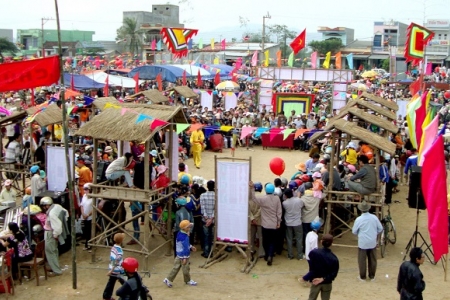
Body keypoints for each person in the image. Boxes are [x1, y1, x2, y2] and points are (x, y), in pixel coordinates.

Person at [249, 181, 282, 266]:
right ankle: (270, 255)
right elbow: (279, 212)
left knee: (265, 241)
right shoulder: (277, 199)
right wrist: (278, 222)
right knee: (272, 241)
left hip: (265, 224)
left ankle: (267, 255)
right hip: (274, 224)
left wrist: (252, 188)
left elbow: (254, 199)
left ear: (266, 190)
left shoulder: (263, 199)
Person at [352, 201, 383, 281]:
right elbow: (380, 228)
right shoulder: (374, 217)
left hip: (363, 242)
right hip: (372, 241)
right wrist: (374, 233)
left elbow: (354, 231)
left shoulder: (359, 219)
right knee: (372, 259)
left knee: (362, 260)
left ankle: (362, 276)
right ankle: (372, 275)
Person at [163, 220, 198, 287]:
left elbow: (185, 245)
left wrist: (190, 246)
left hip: (179, 255)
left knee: (176, 268)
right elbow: (185, 247)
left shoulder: (180, 234)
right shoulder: (184, 237)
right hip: (183, 256)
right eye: (188, 227)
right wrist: (184, 257)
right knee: (186, 269)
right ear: (184, 228)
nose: (189, 228)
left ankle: (168, 279)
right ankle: (188, 280)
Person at [40, 196, 69, 276]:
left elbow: (57, 225)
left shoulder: (52, 213)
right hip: (53, 232)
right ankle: (55, 267)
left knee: (50, 251)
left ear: (47, 205)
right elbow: (65, 212)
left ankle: (56, 270)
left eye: (44, 206)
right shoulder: (57, 206)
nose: (43, 208)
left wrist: (55, 234)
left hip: (51, 233)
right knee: (54, 250)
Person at [306, 234, 339, 300]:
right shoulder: (334, 258)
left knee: (312, 298)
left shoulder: (314, 253)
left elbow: (311, 262)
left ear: (321, 242)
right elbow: (334, 274)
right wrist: (323, 278)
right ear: (331, 243)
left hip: (315, 280)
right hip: (327, 282)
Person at [282, 188, 304, 260]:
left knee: (289, 239)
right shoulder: (299, 200)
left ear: (285, 195)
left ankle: (290, 255)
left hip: (288, 223)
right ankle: (300, 255)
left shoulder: (284, 203)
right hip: (297, 222)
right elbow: (302, 206)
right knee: (299, 239)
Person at [103, 232, 125, 300]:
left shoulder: (113, 247)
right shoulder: (119, 251)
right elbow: (116, 261)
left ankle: (106, 296)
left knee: (111, 282)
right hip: (117, 269)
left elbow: (113, 259)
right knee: (124, 281)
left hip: (112, 267)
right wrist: (112, 270)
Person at [300, 219, 322, 286]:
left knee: (311, 268)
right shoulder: (314, 237)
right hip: (312, 256)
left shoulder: (309, 234)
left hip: (307, 254)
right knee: (314, 270)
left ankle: (310, 280)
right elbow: (314, 248)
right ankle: (304, 278)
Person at [249, 182, 265, 258]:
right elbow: (262, 209)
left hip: (251, 221)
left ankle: (251, 250)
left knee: (251, 237)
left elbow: (248, 210)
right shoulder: (263, 197)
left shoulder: (250, 198)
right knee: (261, 237)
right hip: (260, 220)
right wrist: (256, 217)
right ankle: (261, 252)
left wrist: (252, 218)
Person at [199, 180, 215, 258]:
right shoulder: (216, 196)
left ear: (207, 187)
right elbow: (216, 209)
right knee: (212, 236)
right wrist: (211, 218)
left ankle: (206, 252)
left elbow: (203, 208)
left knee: (206, 236)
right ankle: (212, 252)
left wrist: (206, 218)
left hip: (205, 220)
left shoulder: (203, 195)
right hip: (213, 219)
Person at [80, 183, 93, 251]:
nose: (85, 191)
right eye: (84, 189)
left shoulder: (93, 198)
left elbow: (94, 208)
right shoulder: (84, 196)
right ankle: (86, 244)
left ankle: (90, 245)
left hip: (90, 217)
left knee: (90, 231)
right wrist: (83, 214)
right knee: (85, 231)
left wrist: (88, 215)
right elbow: (81, 205)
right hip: (84, 216)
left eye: (86, 189)